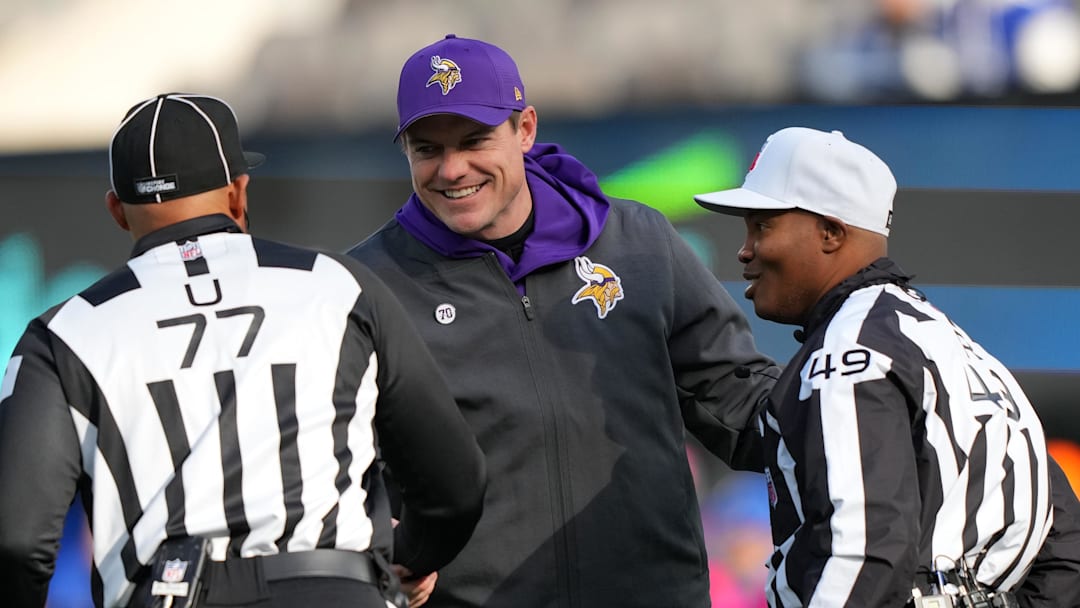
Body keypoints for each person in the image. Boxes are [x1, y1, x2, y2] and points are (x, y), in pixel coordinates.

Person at [0, 92, 486, 608]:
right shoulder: (338, 286)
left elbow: (17, 540)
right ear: (237, 192)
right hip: (333, 589)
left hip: (168, 594)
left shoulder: (64, 332)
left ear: (118, 211)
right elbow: (455, 485)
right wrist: (402, 562)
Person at [346, 34, 779, 607]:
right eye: (427, 149)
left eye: (475, 140)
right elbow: (332, 457)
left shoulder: (637, 242)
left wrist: (846, 413)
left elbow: (735, 399)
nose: (452, 169)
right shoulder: (365, 285)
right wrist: (379, 540)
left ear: (525, 129)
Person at [694, 126, 1080, 607]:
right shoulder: (954, 344)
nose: (745, 250)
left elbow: (861, 556)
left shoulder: (848, 350)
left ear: (831, 233)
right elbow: (1065, 549)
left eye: (762, 225)